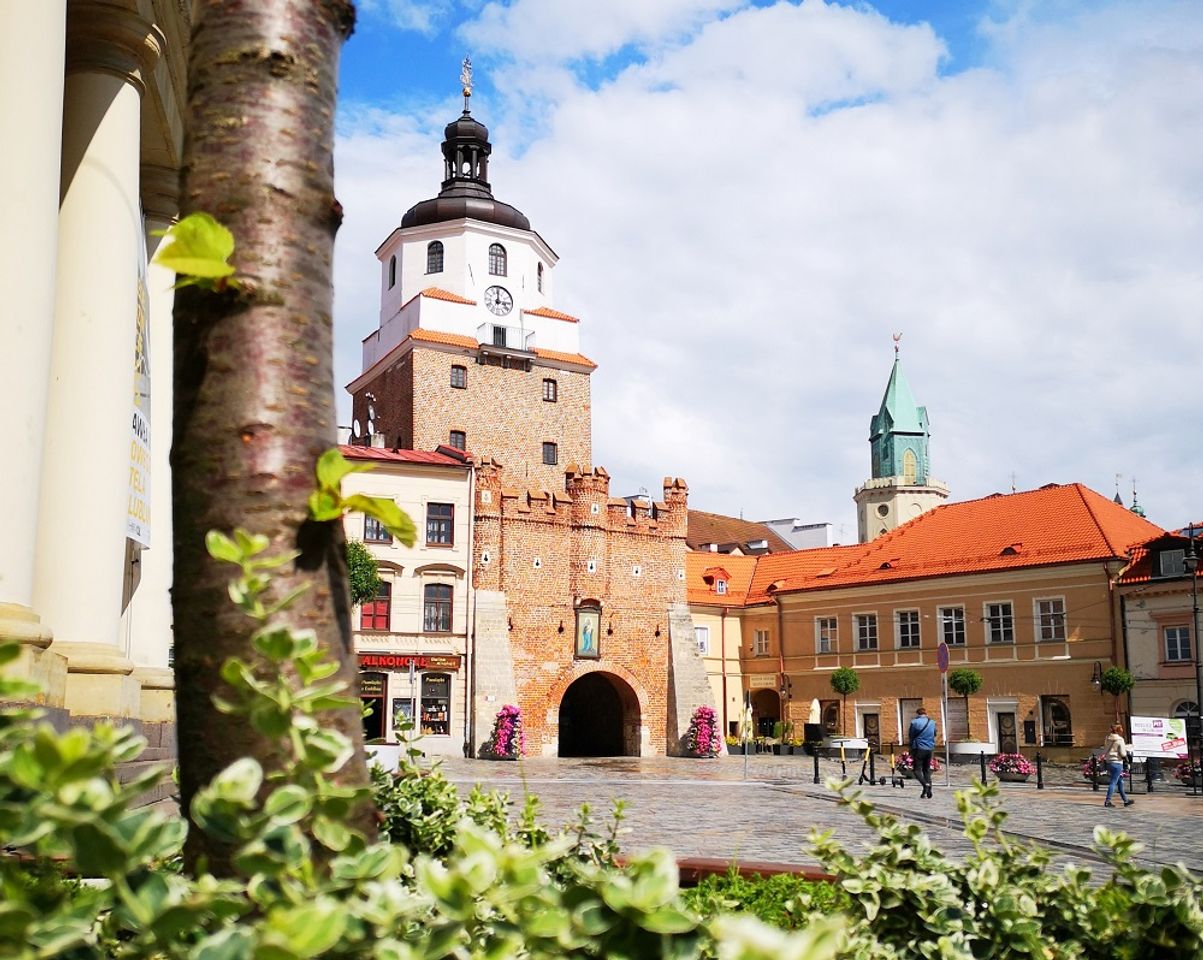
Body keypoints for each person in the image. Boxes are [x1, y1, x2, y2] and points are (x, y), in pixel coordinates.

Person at [908, 706, 937, 799]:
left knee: (916, 770)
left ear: (918, 714)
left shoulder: (914, 722)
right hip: (930, 748)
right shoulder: (932, 722)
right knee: (926, 770)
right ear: (925, 713)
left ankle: (925, 785)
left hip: (919, 748)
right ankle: (928, 792)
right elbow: (935, 733)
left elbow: (911, 735)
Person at [1102, 723, 1134, 808]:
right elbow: (1123, 753)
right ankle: (1107, 801)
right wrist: (1127, 758)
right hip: (1117, 762)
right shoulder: (1120, 740)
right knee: (1113, 782)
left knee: (1120, 781)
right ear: (1119, 730)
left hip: (1109, 762)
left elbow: (1105, 750)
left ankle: (1125, 800)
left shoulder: (1108, 739)